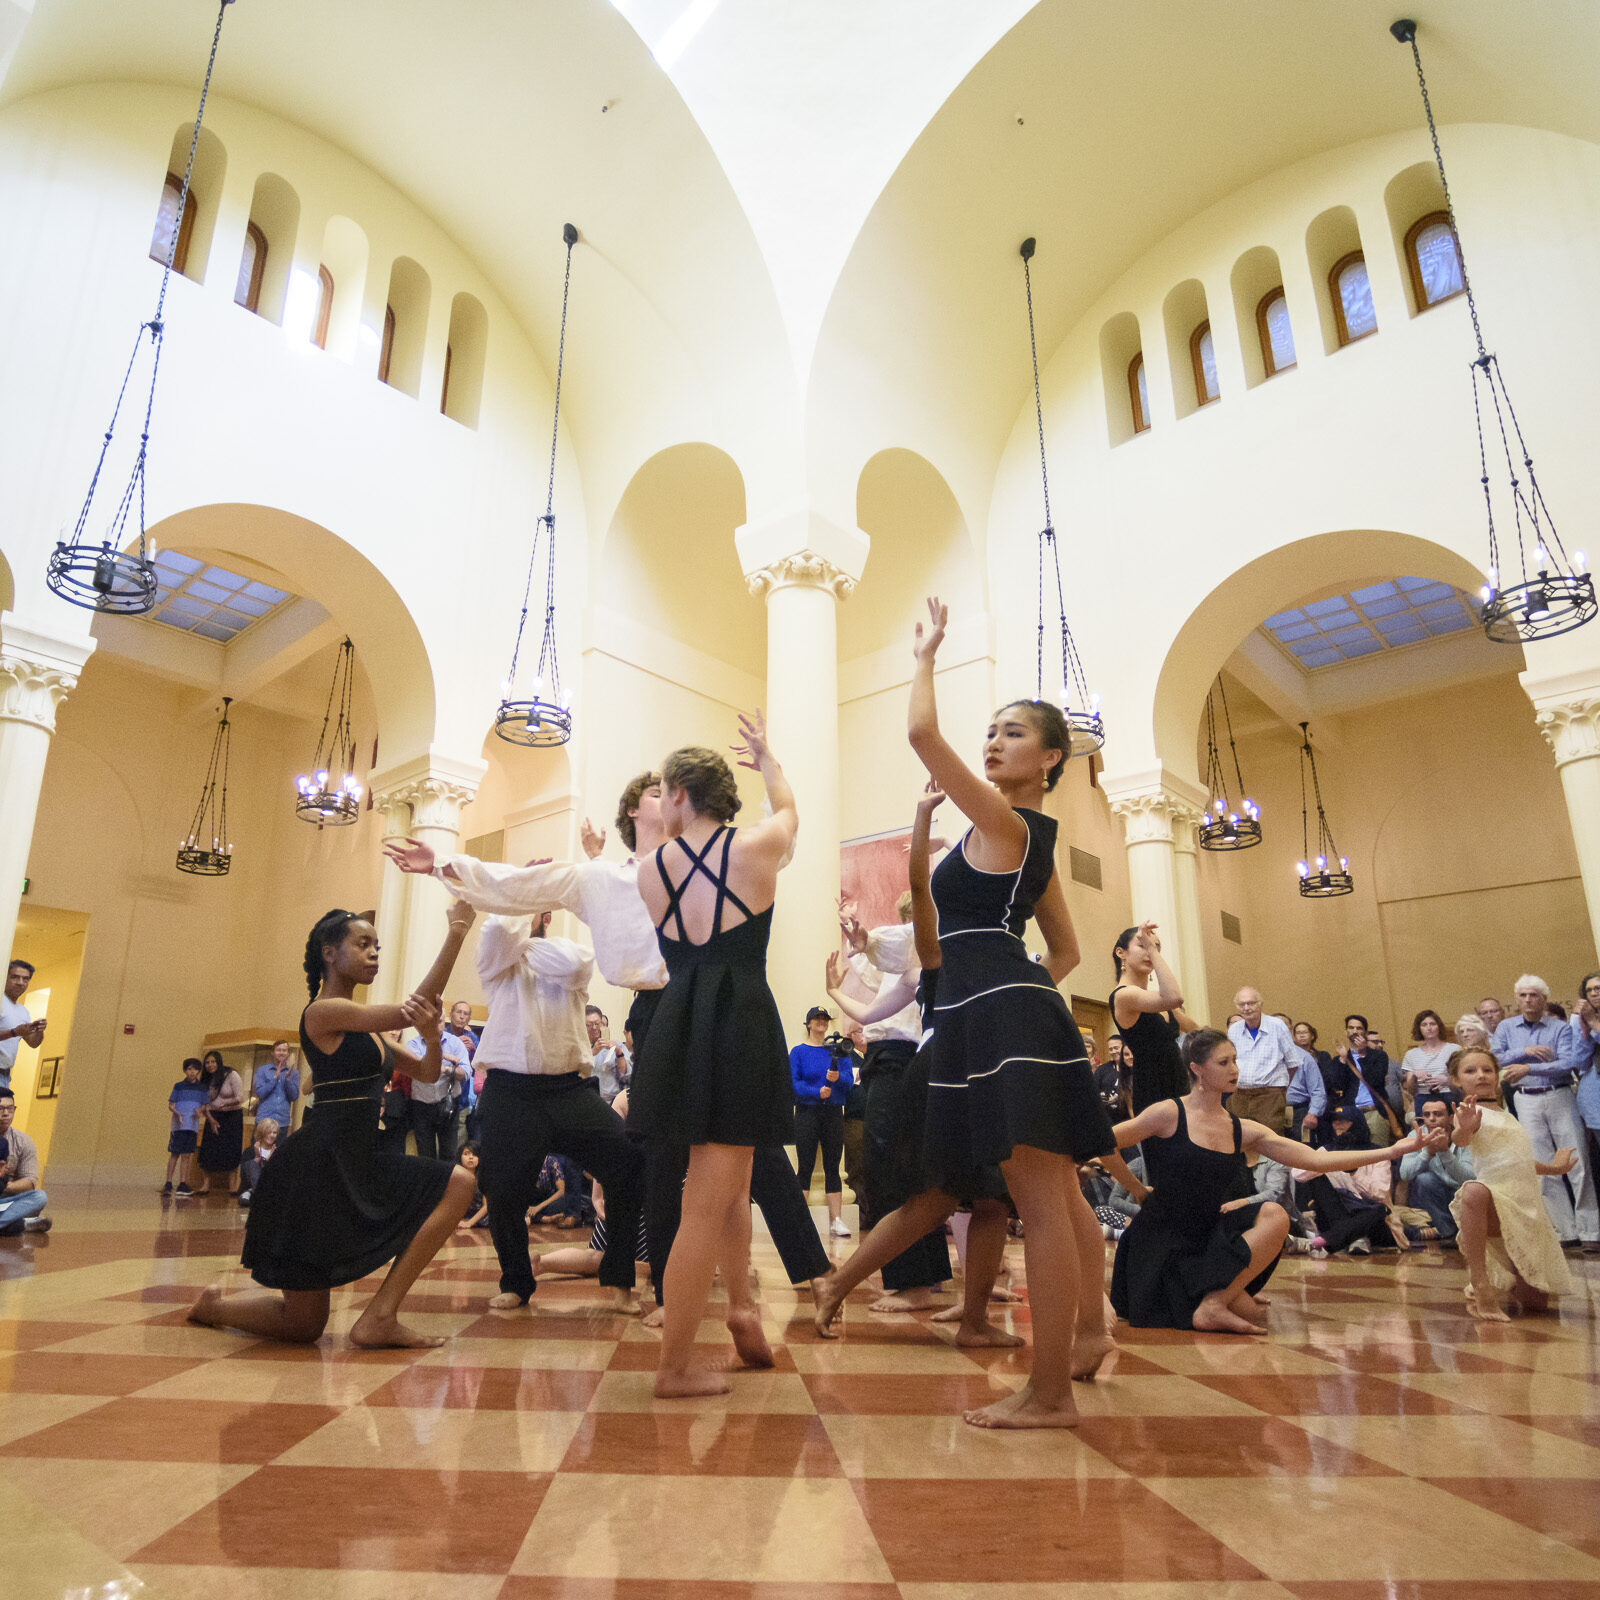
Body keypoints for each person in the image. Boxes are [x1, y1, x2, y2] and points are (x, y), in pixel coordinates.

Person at [390, 771, 829, 1326]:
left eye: (670, 789)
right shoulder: (603, 878)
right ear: (636, 814)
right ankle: (670, 1297)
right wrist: (442, 864)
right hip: (660, 1012)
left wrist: (769, 770)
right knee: (664, 1158)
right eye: (655, 791)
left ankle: (813, 1273)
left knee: (753, 1150)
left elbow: (776, 846)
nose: (669, 795)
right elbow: (516, 886)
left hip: (719, 1001)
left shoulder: (710, 855)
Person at [891, 598, 1130, 1429]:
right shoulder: (1025, 837)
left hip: (999, 1015)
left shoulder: (1005, 820)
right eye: (989, 730)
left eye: (1012, 733)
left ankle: (1052, 1391)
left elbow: (922, 735)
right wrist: (1011, 980)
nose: (992, 742)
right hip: (1008, 1005)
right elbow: (1063, 953)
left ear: (1051, 756)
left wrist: (926, 656)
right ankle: (1092, 1337)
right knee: (1060, 1198)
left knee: (1039, 1203)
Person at [190, 903, 480, 1346]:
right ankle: (215, 1308)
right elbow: (408, 1011)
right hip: (316, 1168)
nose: (374, 954)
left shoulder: (369, 1031)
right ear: (329, 953)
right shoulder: (321, 1013)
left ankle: (379, 1317)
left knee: (459, 1183)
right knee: (303, 1326)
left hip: (362, 1158)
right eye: (362, 944)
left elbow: (424, 1072)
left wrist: (436, 1037)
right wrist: (457, 931)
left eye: (377, 946)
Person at [814, 780, 1022, 1344]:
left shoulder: (994, 943)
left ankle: (973, 1315)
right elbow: (916, 891)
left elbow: (1061, 955)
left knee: (983, 1198)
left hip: (974, 1067)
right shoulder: (932, 947)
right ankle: (849, 1286)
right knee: (936, 1196)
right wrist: (924, 818)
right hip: (944, 1068)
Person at [630, 718, 798, 1397]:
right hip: (739, 1020)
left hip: (679, 1021)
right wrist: (768, 759)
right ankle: (673, 1367)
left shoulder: (649, 871)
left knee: (733, 1177)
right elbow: (789, 810)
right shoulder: (758, 847)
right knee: (706, 1199)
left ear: (676, 793)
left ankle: (740, 1311)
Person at [1108, 1030, 1421, 1332]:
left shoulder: (1241, 1128)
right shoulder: (1168, 1113)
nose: (1235, 1069)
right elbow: (1103, 1143)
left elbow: (1315, 1160)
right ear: (1196, 1069)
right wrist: (1135, 1189)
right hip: (1162, 1242)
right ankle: (1222, 1293)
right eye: (1223, 1062)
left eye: (1235, 1060)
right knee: (1246, 1308)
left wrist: (1390, 1150)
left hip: (1206, 1234)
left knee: (1275, 1214)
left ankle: (1215, 1301)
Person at [1448, 1045, 1577, 1320]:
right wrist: (1465, 1127)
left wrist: (1555, 1169)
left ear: (1497, 1075)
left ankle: (1501, 1277)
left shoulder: (1507, 1116)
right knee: (1472, 1191)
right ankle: (1481, 1284)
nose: (1481, 1075)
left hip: (1526, 1211)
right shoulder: (1469, 1114)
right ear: (1457, 1080)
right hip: (1496, 1201)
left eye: (1487, 1069)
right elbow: (1460, 1138)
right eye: (1470, 1071)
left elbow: (1517, 1162)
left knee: (1536, 1304)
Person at [1492, 974, 1597, 1250]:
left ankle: (1590, 1231)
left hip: (1559, 1094)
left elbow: (1568, 1063)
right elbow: (1495, 1058)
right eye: (1523, 995)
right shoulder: (1505, 1027)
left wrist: (1528, 1067)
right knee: (1542, 1164)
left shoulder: (1559, 1027)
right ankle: (1564, 1231)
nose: (1528, 1000)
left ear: (1544, 998)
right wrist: (1523, 1051)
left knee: (1577, 1161)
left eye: (1534, 995)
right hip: (1526, 1098)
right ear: (1516, 999)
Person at [1111, 923, 1193, 1112]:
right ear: (1121, 953)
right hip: (1152, 1090)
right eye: (1143, 945)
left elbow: (1195, 1029)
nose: (1150, 951)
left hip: (1180, 1084)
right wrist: (1153, 952)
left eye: (1156, 947)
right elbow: (1174, 997)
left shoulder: (1156, 1000)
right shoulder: (1123, 995)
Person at [790, 1004, 853, 1238]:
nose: (821, 1022)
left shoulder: (839, 1051)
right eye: (816, 1018)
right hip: (807, 1113)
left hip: (833, 1114)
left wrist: (837, 1079)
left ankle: (836, 1220)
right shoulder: (798, 1052)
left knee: (832, 1167)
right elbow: (793, 1084)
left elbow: (848, 1081)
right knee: (804, 1167)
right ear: (808, 1024)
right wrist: (816, 1092)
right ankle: (799, 1221)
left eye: (824, 1019)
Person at [1399, 1095, 1472, 1243]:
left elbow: (1470, 1178)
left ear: (1451, 1118)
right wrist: (1427, 1153)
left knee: (1471, 1188)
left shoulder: (1464, 1134)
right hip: (1438, 1194)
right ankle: (1449, 1233)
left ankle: (1466, 1231)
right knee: (1424, 1180)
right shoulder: (1416, 1134)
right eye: (1427, 1115)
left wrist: (1445, 1153)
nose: (1432, 1119)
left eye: (1438, 1114)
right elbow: (1405, 1173)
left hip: (1464, 1193)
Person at [1226, 989, 1294, 1135]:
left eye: (1250, 1003)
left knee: (1271, 1142)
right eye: (1242, 1004)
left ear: (1260, 1004)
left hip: (1270, 1095)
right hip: (1240, 1095)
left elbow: (1293, 1063)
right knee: (1240, 1138)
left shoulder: (1277, 1026)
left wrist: (1279, 1090)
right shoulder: (1234, 1030)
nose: (1246, 1008)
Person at [405, 1020, 470, 1161]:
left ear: (445, 1022)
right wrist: (445, 1058)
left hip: (449, 1105)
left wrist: (446, 1069)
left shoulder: (455, 1043)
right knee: (425, 1155)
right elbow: (419, 1068)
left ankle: (446, 1183)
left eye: (440, 1021)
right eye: (433, 1021)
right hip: (421, 1106)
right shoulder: (412, 1044)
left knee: (449, 1154)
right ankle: (429, 1183)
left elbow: (466, 1073)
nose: (436, 1025)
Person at [1340, 1017, 1402, 1147]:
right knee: (1354, 1156)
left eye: (1359, 1028)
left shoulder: (1379, 1056)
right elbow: (1337, 1084)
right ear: (1346, 1032)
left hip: (1375, 1111)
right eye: (1351, 1028)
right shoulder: (1341, 1059)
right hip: (1352, 1114)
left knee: (1379, 1155)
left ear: (1365, 1033)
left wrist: (1363, 1055)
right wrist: (1342, 1061)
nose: (1355, 1031)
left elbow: (1376, 1080)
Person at [194, 1049, 246, 1195]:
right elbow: (205, 1103)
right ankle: (205, 1185)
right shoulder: (206, 1079)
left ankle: (233, 1186)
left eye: (213, 1062)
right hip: (213, 1117)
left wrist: (225, 1104)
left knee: (232, 1149)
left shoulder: (231, 1075)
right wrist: (210, 1119)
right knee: (208, 1149)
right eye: (208, 1062)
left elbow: (240, 1097)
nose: (210, 1065)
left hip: (232, 1116)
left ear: (219, 1062)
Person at [0, 1087, 50, 1235]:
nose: (6, 1113)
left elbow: (30, 1182)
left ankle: (11, 1223)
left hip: (7, 1200)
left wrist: (5, 1186)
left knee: (39, 1197)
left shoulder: (23, 1141)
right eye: (1, 1108)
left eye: (10, 1108)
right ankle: (18, 1225)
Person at [1399, 1009, 1457, 1119]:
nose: (1429, 1028)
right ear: (1419, 1028)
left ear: (1438, 1026)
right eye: (1424, 1025)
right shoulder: (1411, 1054)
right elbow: (1410, 1091)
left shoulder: (1454, 1049)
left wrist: (1446, 1080)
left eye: (1432, 1024)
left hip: (1449, 1095)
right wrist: (1414, 1075)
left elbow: (1462, 1080)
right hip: (1422, 1098)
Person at [1279, 1012, 1327, 1141]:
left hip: (1299, 1112)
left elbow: (1317, 1090)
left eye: (1282, 1026)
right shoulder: (1262, 1058)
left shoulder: (1304, 1057)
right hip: (1271, 1112)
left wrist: (1313, 1113)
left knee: (1302, 1153)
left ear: (1290, 1030)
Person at [1572, 971, 1600, 1190]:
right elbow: (1580, 1063)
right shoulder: (1582, 1021)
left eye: (1598, 988)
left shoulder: (1592, 1019)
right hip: (1594, 1099)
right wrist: (1584, 1031)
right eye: (1589, 990)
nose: (1594, 993)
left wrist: (1594, 1023)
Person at [0, 959, 45, 1094]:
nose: (20, 982)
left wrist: (39, 1030)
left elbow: (33, 1043)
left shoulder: (23, 1011)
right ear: (5, 977)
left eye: (25, 979)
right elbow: (15, 1033)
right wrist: (13, 1032)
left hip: (5, 1075)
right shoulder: (1, 1001)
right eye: (15, 977)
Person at [164, 1057, 207, 1196]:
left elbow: (204, 1106)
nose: (192, 1072)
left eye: (195, 1069)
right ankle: (168, 1182)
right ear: (185, 1070)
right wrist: (177, 1112)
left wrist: (199, 1112)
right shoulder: (178, 1086)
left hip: (192, 1126)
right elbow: (171, 1105)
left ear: (198, 1071)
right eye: (189, 1069)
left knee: (187, 1156)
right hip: (179, 1126)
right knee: (174, 1154)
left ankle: (182, 1183)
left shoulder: (202, 1088)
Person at [252, 1041, 301, 1138]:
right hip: (263, 1120)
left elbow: (294, 1097)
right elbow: (260, 1093)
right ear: (273, 1053)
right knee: (259, 1152)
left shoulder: (293, 1073)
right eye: (278, 1050)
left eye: (284, 1050)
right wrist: (274, 1078)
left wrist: (287, 1080)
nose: (281, 1053)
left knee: (279, 1152)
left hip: (282, 1123)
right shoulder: (262, 1070)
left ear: (288, 1053)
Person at [587, 1006, 631, 1105]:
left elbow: (626, 1075)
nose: (594, 1028)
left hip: (611, 1102)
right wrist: (592, 1052)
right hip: (586, 1101)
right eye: (589, 1025)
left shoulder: (617, 1046)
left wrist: (619, 1052)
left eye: (597, 1024)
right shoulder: (578, 1049)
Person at [238, 1117, 279, 1206]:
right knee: (252, 1164)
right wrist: (257, 1157)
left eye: (274, 1133)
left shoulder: (278, 1152)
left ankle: (258, 1194)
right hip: (252, 1186)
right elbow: (244, 1175)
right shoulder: (249, 1151)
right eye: (269, 1132)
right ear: (262, 1133)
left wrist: (270, 1161)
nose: (272, 1135)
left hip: (272, 1187)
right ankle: (258, 1194)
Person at [454, 1141, 489, 1230]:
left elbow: (486, 1206)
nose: (471, 1157)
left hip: (484, 1214)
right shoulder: (455, 1178)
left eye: (475, 1155)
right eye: (466, 1154)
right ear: (460, 1157)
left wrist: (469, 1223)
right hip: (468, 1215)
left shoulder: (483, 1178)